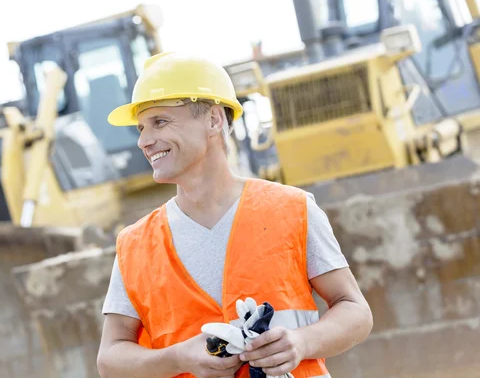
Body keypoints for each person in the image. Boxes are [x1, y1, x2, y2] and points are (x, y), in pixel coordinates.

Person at [96, 52, 373, 378]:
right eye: (141, 128)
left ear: (213, 120)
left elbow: (355, 311)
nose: (144, 141)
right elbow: (110, 359)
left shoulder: (292, 208)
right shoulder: (136, 245)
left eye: (159, 122)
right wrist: (179, 358)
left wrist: (300, 342)